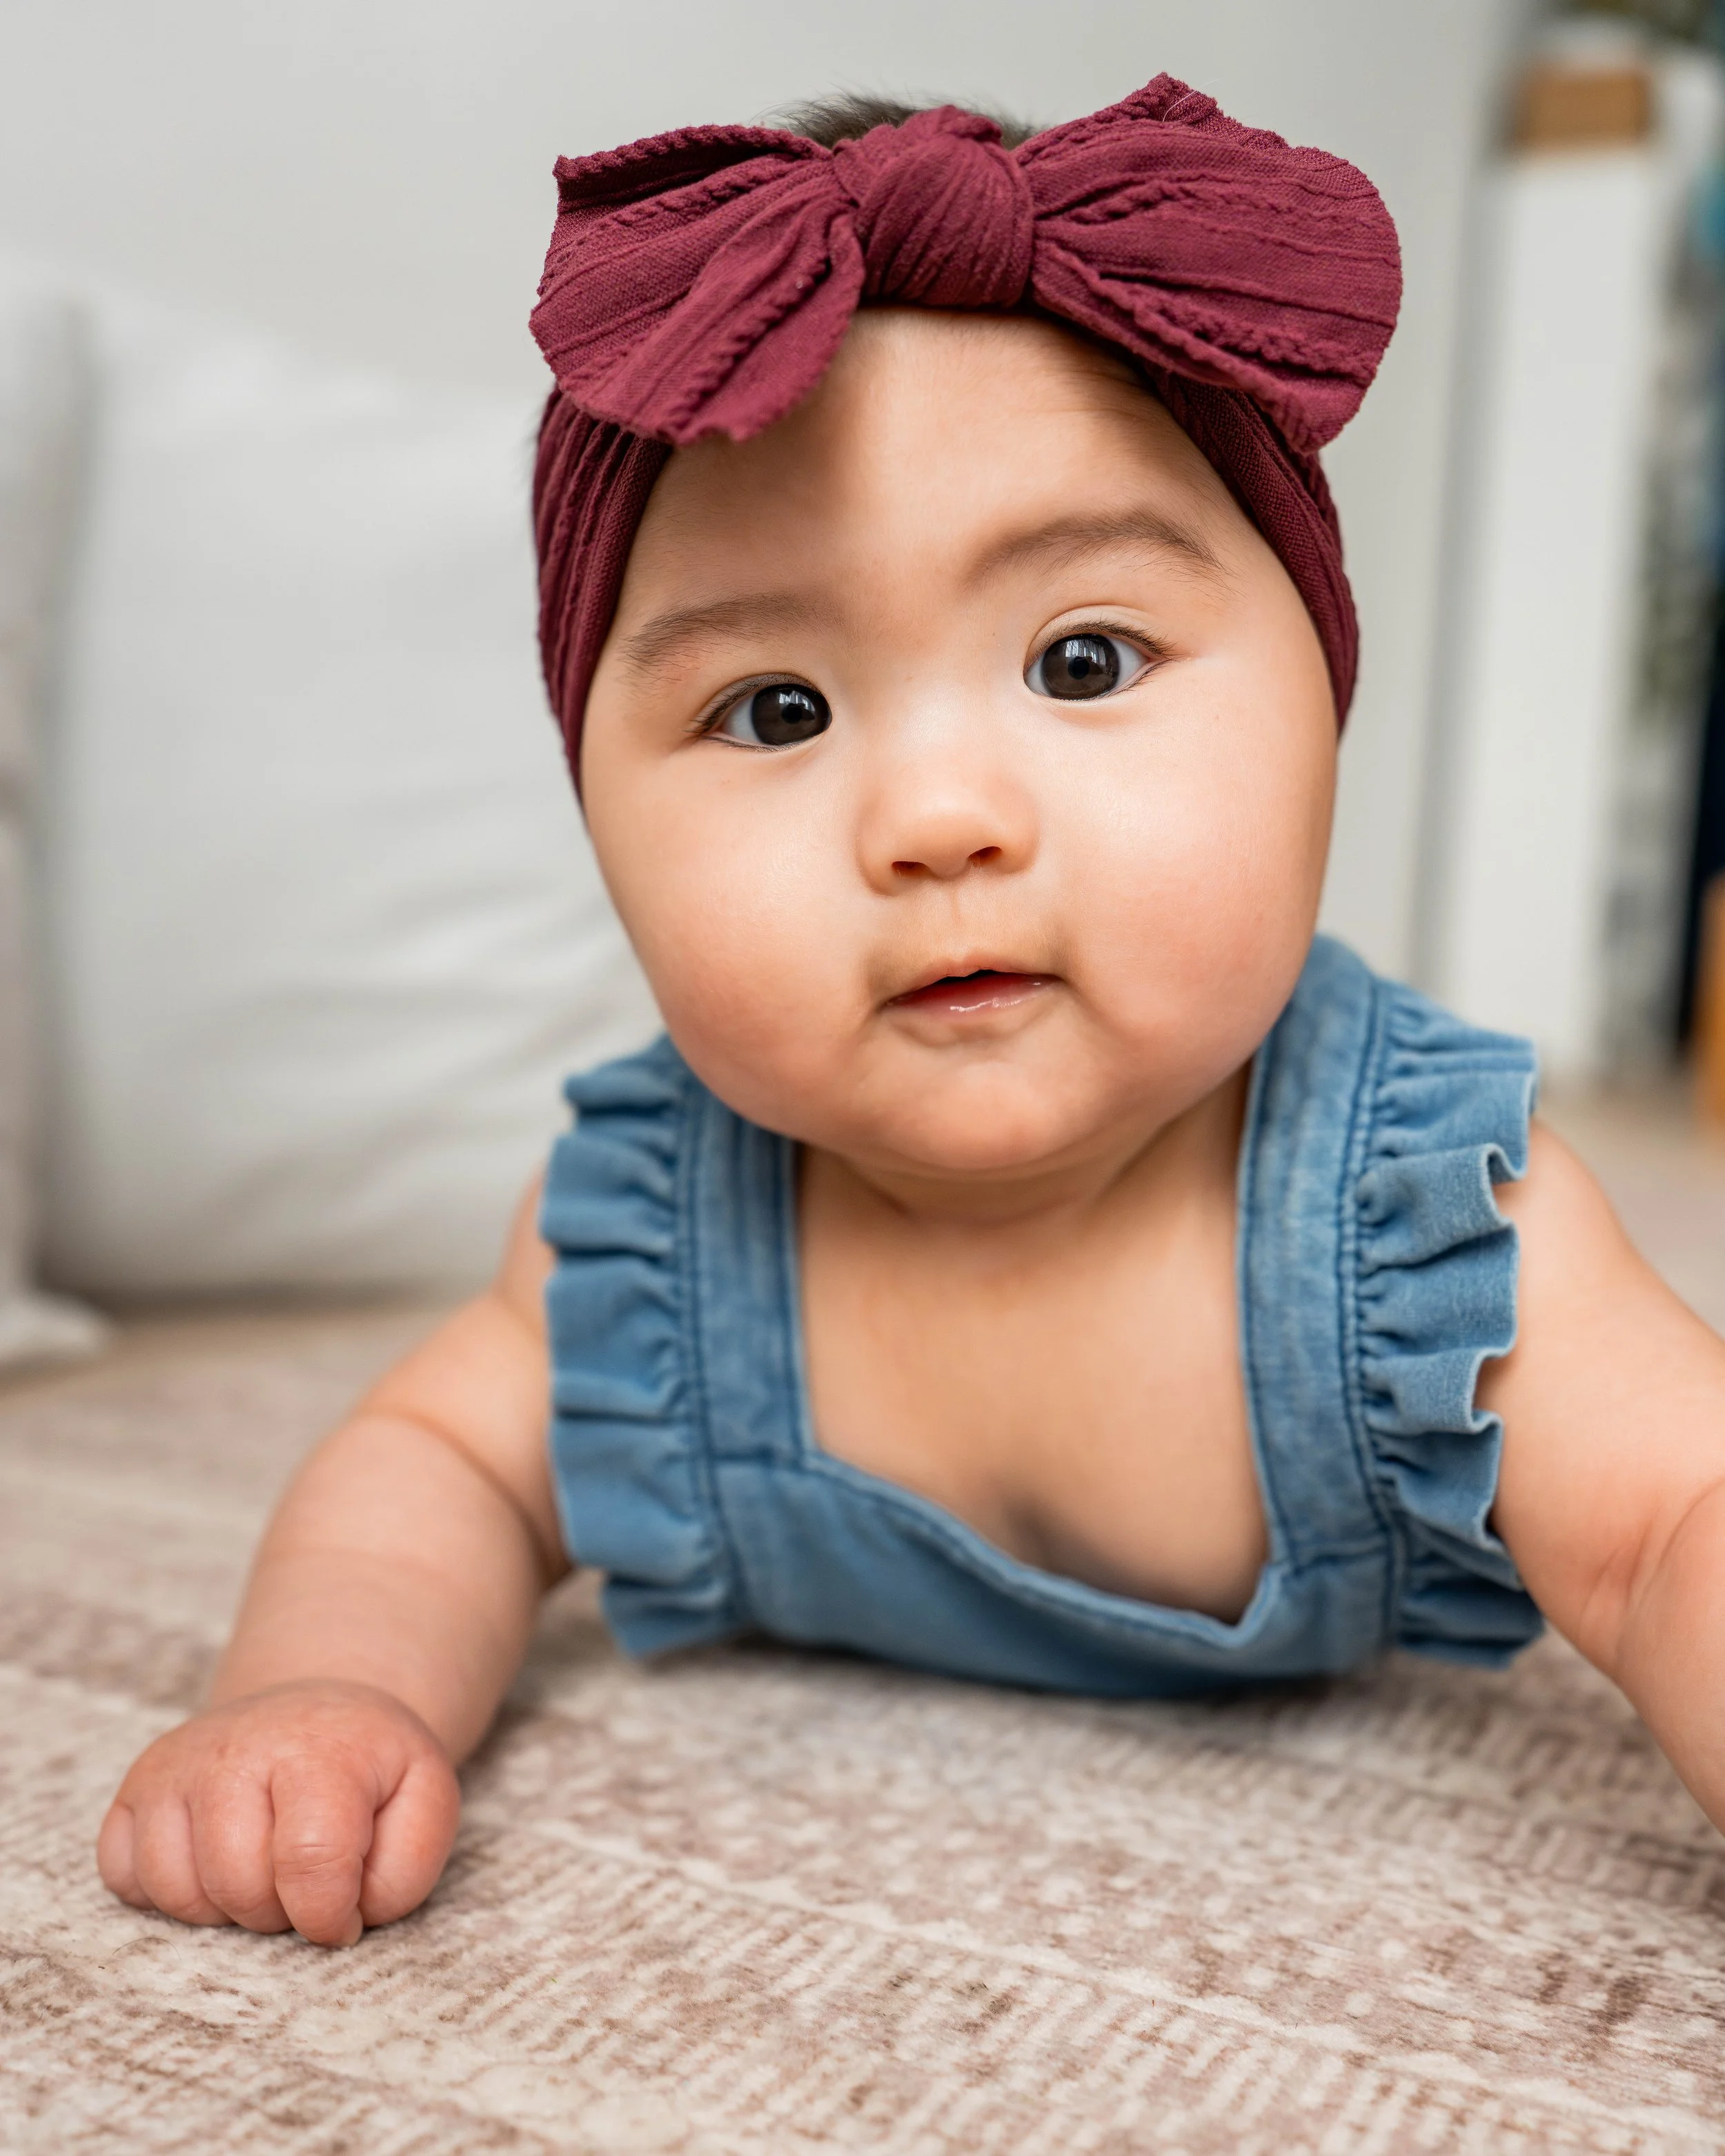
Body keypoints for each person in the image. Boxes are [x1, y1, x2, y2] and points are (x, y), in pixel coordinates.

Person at [97, 78, 1725, 1952]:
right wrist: (324, 1690)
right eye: (775, 710)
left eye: (1080, 659)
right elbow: (437, 1467)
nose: (938, 818)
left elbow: (1678, 1511)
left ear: (1318, 699)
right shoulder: (645, 1240)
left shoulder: (1422, 1220)